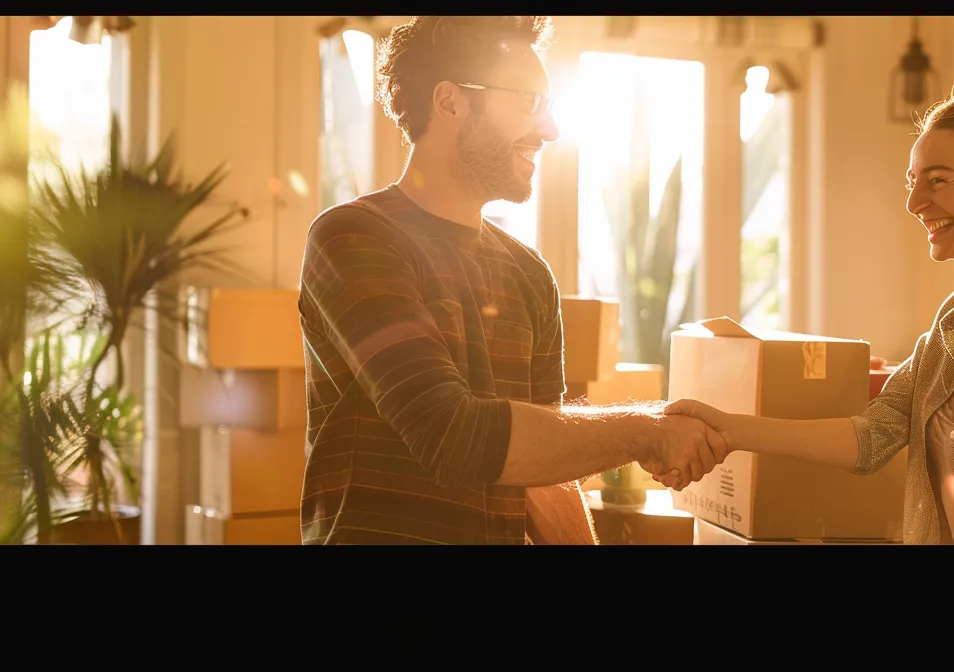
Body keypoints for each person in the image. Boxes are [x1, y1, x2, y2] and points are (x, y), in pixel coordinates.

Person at [296, 16, 726, 545]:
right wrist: (645, 431)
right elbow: (450, 435)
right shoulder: (353, 238)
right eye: (528, 101)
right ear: (450, 102)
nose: (550, 130)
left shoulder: (528, 274)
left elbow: (542, 476)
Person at [665, 88, 954, 545]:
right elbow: (872, 437)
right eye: (913, 181)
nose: (914, 202)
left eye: (938, 180)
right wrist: (732, 429)